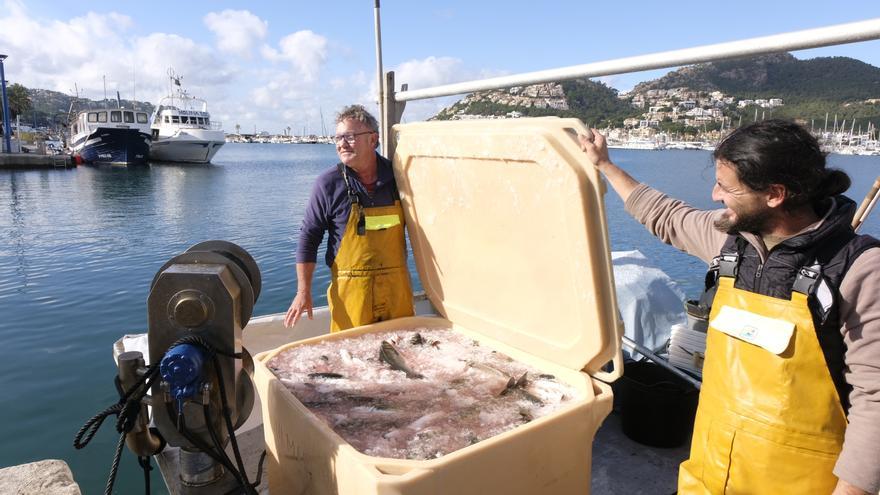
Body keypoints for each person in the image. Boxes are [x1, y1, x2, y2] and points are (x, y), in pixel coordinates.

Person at [579, 120, 880, 495]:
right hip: (709, 473)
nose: (716, 195)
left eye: (727, 187)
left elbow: (875, 397)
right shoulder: (730, 243)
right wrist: (605, 164)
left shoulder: (860, 268)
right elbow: (667, 217)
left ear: (775, 194)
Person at [284, 104, 414, 332]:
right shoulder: (327, 184)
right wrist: (303, 292)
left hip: (397, 292)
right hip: (351, 296)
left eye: (350, 137)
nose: (342, 144)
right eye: (338, 137)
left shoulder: (400, 177)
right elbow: (309, 238)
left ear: (373, 140)